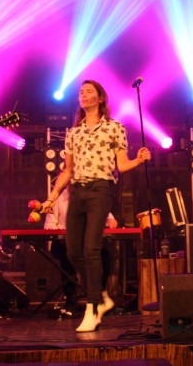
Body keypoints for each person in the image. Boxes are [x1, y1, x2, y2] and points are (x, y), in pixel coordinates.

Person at [40, 79, 150, 332]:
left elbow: (121, 165)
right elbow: (67, 170)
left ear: (100, 98)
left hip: (100, 189)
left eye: (89, 91)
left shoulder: (114, 128)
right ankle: (100, 295)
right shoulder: (73, 133)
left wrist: (138, 160)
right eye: (81, 92)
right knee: (72, 251)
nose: (83, 94)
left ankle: (92, 309)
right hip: (77, 191)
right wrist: (52, 197)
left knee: (91, 248)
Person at [43, 187, 118, 313]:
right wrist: (62, 232)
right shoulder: (58, 197)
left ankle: (99, 298)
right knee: (67, 257)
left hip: (88, 243)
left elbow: (107, 215)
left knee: (105, 257)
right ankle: (71, 300)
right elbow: (49, 225)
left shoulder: (91, 193)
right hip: (65, 243)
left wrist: (110, 219)